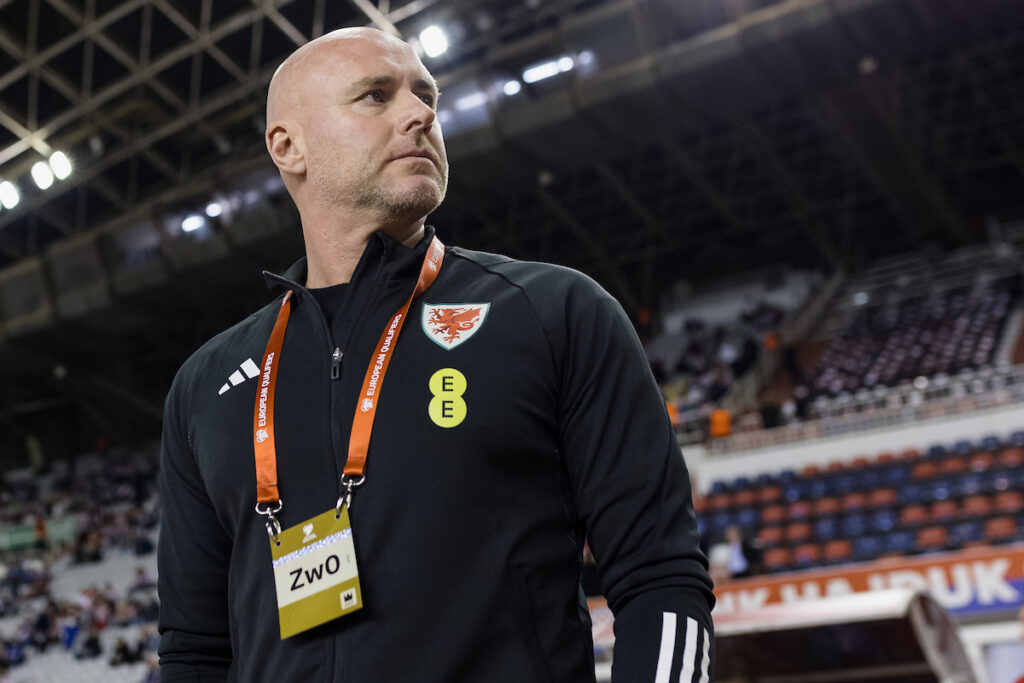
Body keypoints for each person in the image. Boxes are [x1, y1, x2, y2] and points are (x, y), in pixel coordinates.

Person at [158, 27, 714, 682]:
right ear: (289, 146)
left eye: (427, 96)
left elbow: (661, 578)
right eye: (375, 95)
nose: (421, 114)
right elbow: (195, 649)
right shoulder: (206, 384)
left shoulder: (553, 313)